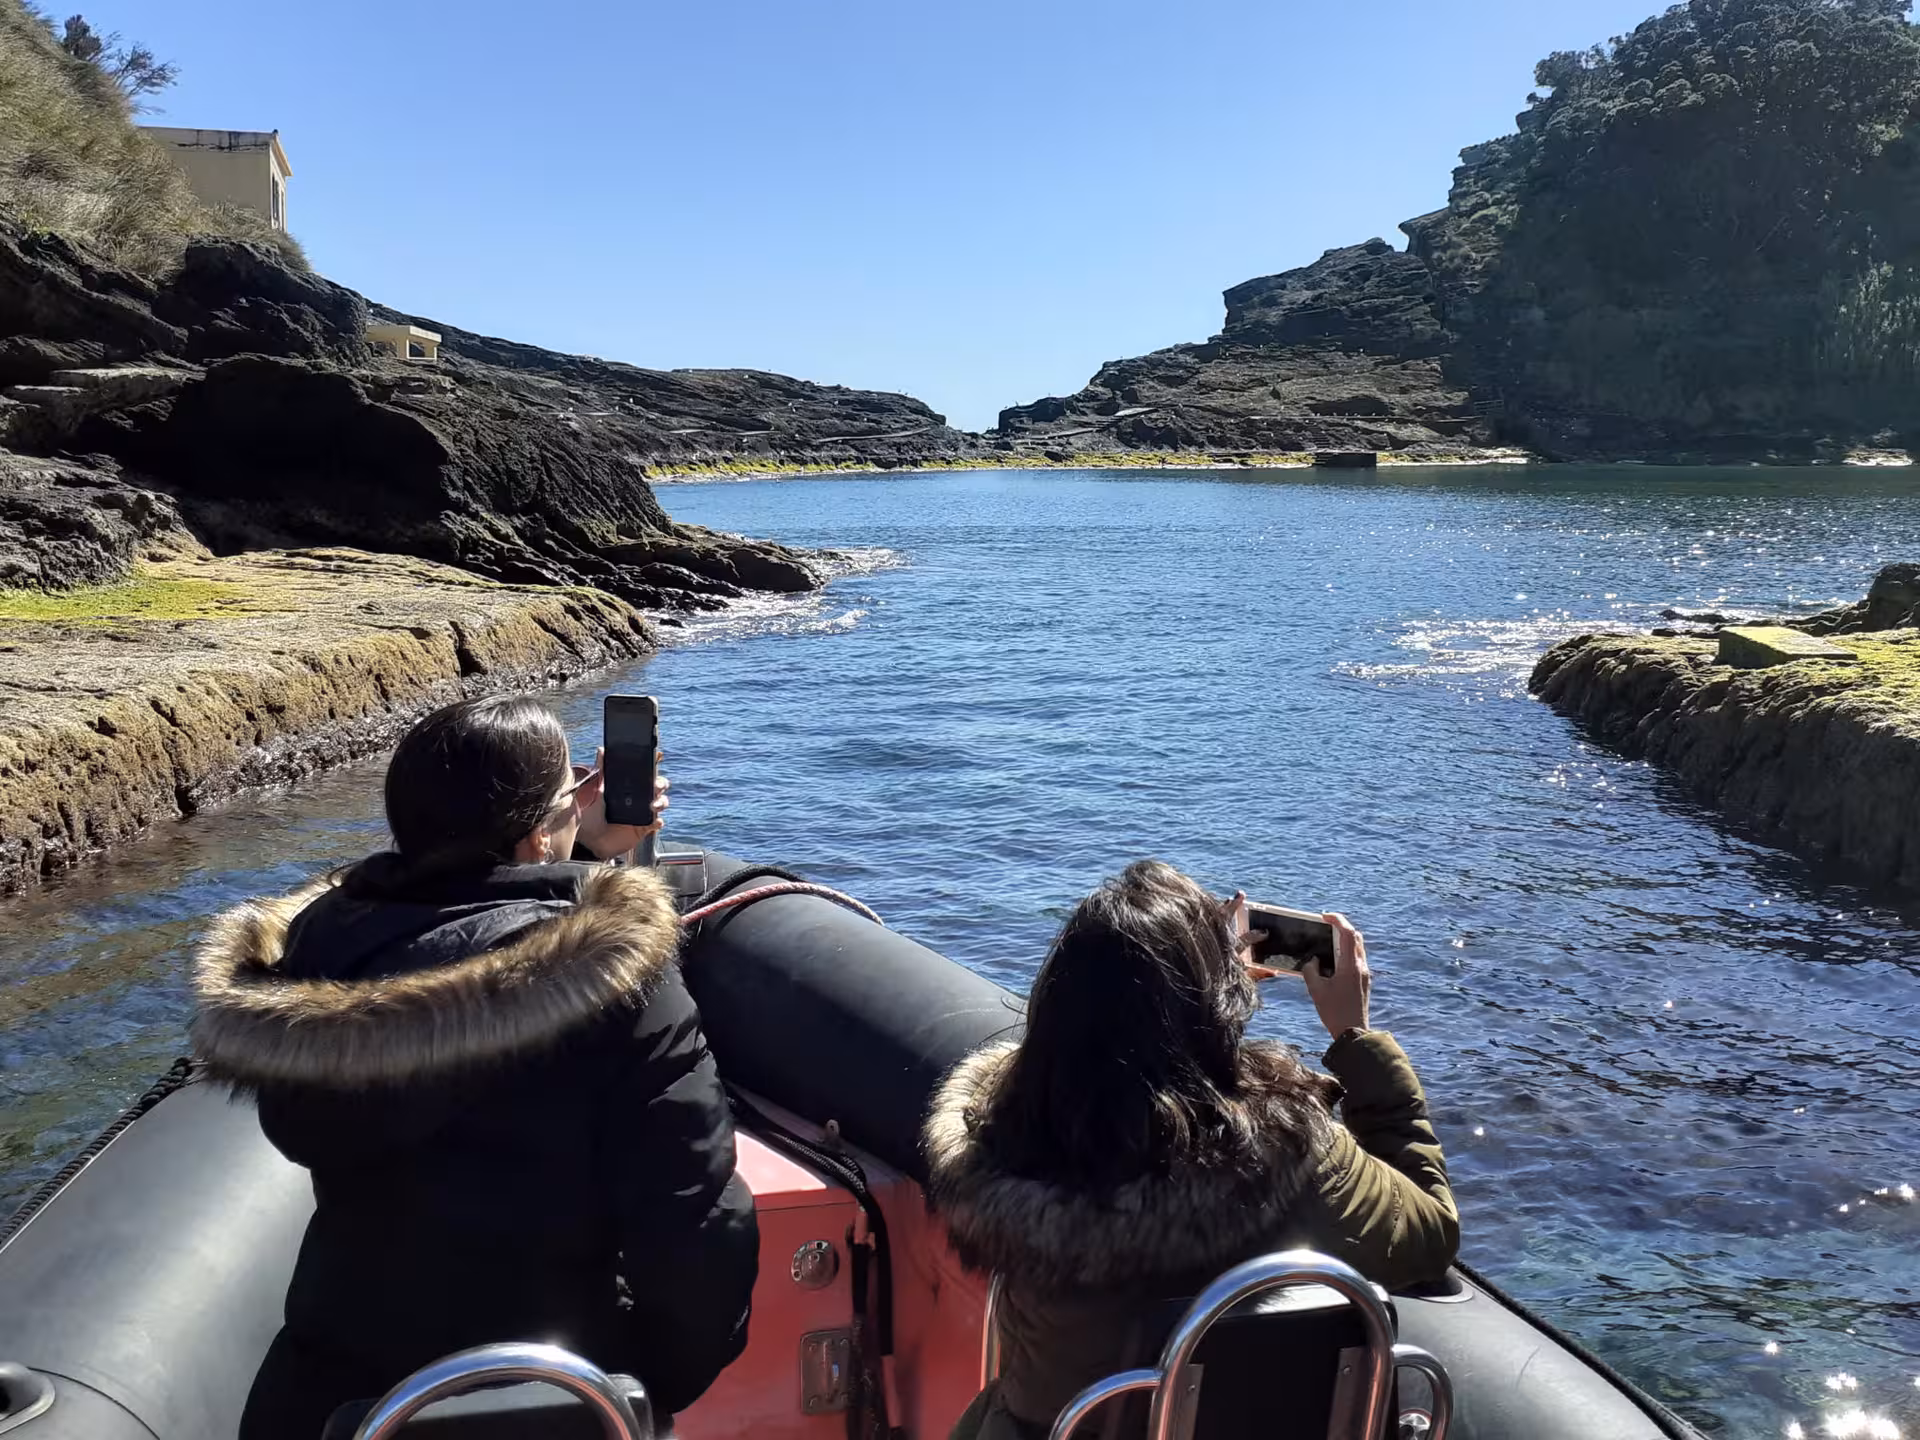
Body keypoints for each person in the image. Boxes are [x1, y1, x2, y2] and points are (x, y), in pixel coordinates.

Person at [191, 694, 758, 1439]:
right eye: (568, 793)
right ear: (530, 836)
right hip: (546, 1391)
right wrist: (651, 1382)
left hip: (330, 1389)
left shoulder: (315, 958)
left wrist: (575, 847)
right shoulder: (622, 988)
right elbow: (696, 1222)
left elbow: (455, 933)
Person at [923, 860, 1459, 1440]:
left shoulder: (1005, 1151)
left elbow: (1093, 1065)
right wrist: (1354, 1038)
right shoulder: (1295, 1157)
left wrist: (1195, 994)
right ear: (1220, 1003)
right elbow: (1430, 1227)